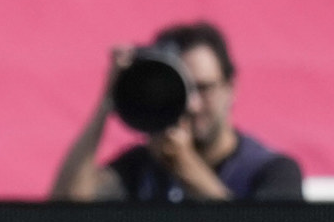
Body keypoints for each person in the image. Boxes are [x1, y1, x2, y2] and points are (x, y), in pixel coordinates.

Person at [50, 21, 304, 202]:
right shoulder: (144, 166)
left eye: (203, 88)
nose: (192, 105)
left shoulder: (273, 172)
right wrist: (109, 98)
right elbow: (67, 204)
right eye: (181, 89)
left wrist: (187, 168)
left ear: (231, 87)